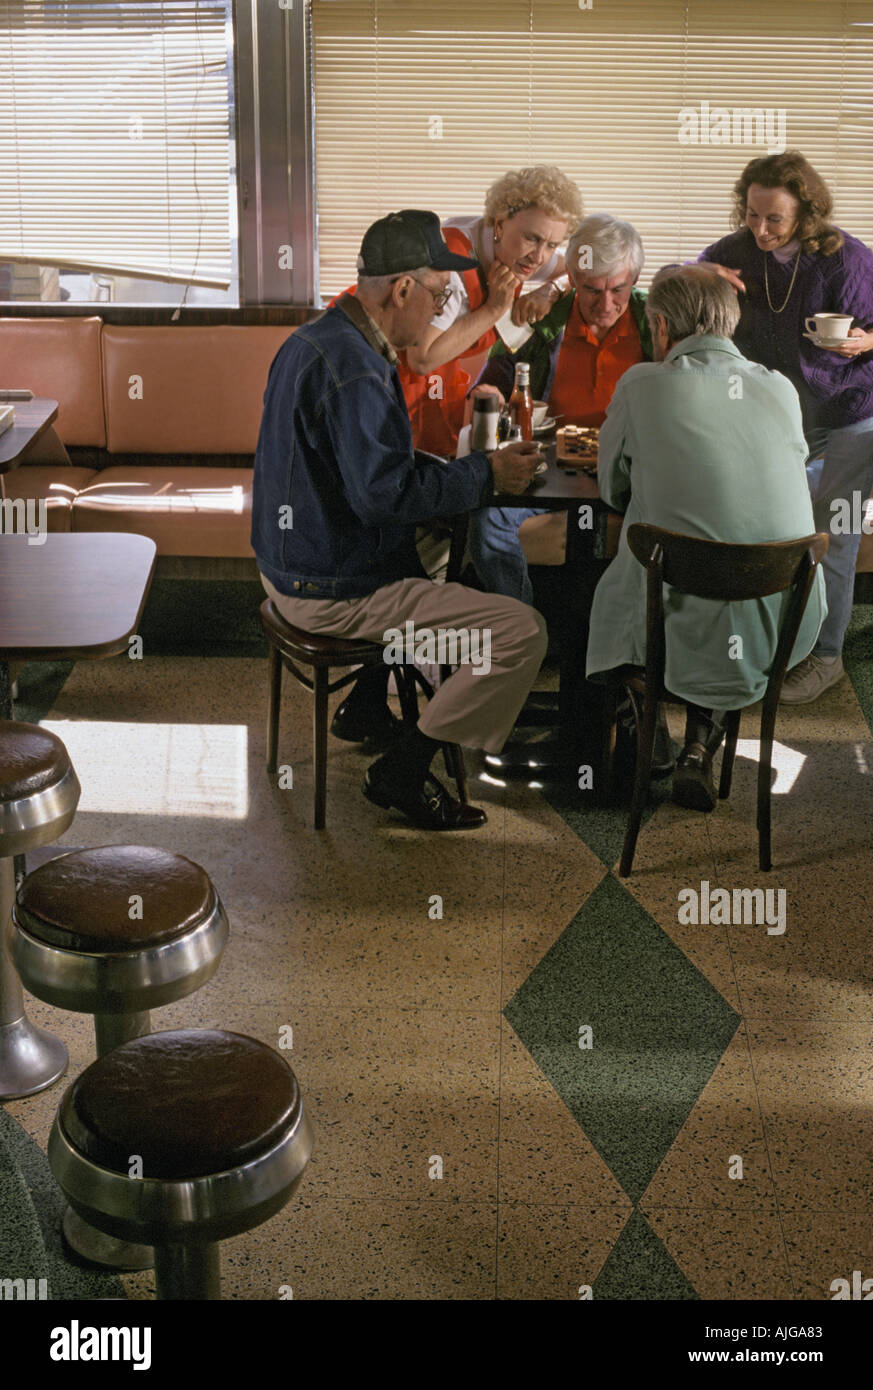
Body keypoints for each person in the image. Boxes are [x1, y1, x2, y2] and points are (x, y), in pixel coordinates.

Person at [251, 210, 548, 831]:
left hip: (284, 567)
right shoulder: (360, 369)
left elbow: (353, 467)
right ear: (403, 290)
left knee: (441, 544)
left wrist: (453, 473)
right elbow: (381, 498)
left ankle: (366, 703)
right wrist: (487, 475)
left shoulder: (317, 340)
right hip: (328, 591)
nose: (441, 314)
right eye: (441, 296)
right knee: (521, 632)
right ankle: (405, 768)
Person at [586, 265, 826, 811]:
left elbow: (611, 489)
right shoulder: (780, 388)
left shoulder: (641, 383)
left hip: (675, 603)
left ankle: (649, 748)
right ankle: (700, 744)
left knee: (629, 590)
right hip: (779, 612)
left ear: (663, 326)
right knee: (717, 582)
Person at [698, 150, 873, 703]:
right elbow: (679, 281)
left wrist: (866, 342)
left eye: (775, 218)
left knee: (833, 536)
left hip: (851, 414)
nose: (761, 229)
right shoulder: (736, 251)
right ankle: (767, 645)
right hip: (772, 417)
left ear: (806, 214)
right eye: (752, 214)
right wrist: (698, 272)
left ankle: (826, 658)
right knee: (762, 526)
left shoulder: (844, 259)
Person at [468, 214, 651, 604]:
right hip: (550, 467)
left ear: (634, 279)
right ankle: (522, 628)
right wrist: (488, 394)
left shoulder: (655, 321)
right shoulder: (542, 318)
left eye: (617, 289)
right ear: (571, 276)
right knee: (487, 521)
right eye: (591, 290)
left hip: (633, 468)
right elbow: (491, 380)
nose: (605, 304)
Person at [401, 165, 583, 454]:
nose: (539, 257)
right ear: (498, 225)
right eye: (532, 238)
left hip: (435, 381)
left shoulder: (519, 250)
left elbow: (579, 268)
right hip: (387, 374)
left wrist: (552, 289)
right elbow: (420, 359)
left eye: (552, 244)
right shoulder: (450, 266)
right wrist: (495, 308)